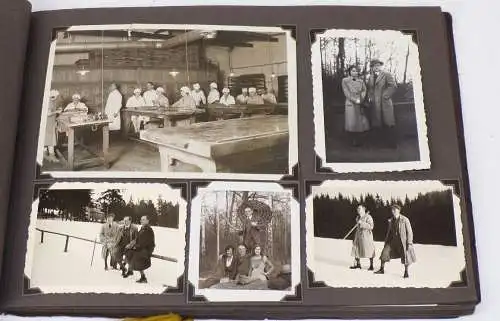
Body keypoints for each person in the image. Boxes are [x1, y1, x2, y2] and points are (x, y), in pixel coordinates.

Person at [375, 204, 416, 278]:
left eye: (395, 210)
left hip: (403, 242)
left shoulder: (405, 220)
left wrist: (409, 242)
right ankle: (382, 269)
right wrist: (386, 241)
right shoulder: (391, 220)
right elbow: (389, 232)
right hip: (393, 242)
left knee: (406, 256)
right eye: (392, 210)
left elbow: (410, 232)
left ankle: (406, 272)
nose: (393, 211)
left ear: (399, 211)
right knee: (384, 252)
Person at [366, 59, 397, 148]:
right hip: (375, 103)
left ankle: (392, 144)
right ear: (372, 68)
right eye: (374, 66)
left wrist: (385, 96)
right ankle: (379, 145)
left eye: (378, 65)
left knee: (389, 123)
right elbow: (370, 89)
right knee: (377, 123)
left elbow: (393, 86)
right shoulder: (371, 77)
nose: (377, 67)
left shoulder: (386, 74)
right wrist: (370, 97)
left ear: (381, 66)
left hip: (385, 102)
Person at [342, 65, 369, 147]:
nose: (355, 72)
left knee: (360, 123)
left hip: (359, 102)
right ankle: (351, 141)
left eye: (356, 71)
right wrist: (355, 100)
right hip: (350, 103)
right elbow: (346, 92)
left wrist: (361, 98)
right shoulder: (345, 80)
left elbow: (364, 90)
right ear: (349, 72)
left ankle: (359, 141)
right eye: (353, 71)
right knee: (351, 122)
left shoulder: (361, 81)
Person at [129, 215, 156, 283]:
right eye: (141, 219)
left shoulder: (148, 230)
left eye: (143, 219)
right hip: (141, 247)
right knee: (129, 252)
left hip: (147, 249)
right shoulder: (142, 228)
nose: (141, 221)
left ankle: (143, 277)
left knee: (136, 256)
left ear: (147, 221)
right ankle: (139, 275)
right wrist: (132, 244)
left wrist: (135, 247)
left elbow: (144, 242)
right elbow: (138, 239)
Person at [350, 204, 375, 271]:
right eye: (357, 209)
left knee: (369, 250)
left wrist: (362, 223)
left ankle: (371, 265)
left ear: (364, 209)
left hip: (366, 236)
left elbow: (371, 226)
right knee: (356, 249)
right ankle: (358, 264)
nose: (358, 210)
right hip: (358, 236)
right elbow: (357, 228)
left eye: (359, 208)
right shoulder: (358, 217)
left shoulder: (368, 217)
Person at [44, 89, 60, 163]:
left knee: (46, 138)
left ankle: (44, 153)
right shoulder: (49, 102)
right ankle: (52, 156)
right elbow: (48, 113)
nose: (56, 97)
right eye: (56, 96)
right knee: (51, 139)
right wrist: (57, 111)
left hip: (49, 122)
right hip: (48, 123)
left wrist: (56, 110)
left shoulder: (51, 101)